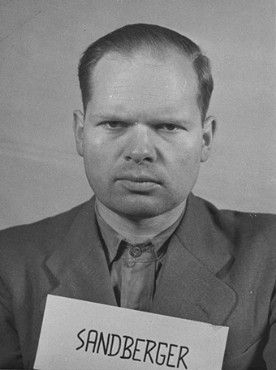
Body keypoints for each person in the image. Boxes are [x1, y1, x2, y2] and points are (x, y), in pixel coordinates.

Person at [0, 23, 275, 370]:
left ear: (205, 139)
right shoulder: (8, 262)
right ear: (80, 133)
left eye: (168, 126)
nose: (140, 150)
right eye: (114, 124)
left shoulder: (270, 256)